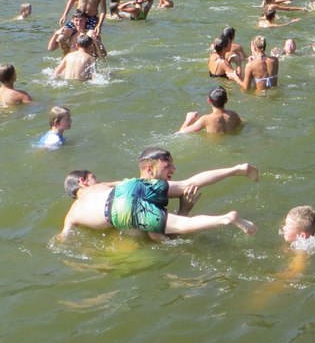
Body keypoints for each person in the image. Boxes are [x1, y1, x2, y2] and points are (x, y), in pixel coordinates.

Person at [59, 149, 259, 241]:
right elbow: (122, 184)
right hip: (127, 187)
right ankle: (237, 169)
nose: (96, 179)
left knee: (179, 226)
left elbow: (65, 237)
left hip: (117, 209)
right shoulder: (102, 186)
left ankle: (226, 219)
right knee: (186, 183)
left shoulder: (73, 211)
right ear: (83, 182)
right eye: (93, 177)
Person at [179, 86, 244, 134]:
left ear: (209, 101)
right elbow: (243, 124)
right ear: (226, 101)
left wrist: (188, 120)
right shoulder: (234, 115)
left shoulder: (205, 120)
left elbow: (181, 133)